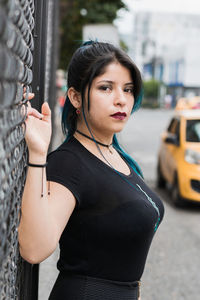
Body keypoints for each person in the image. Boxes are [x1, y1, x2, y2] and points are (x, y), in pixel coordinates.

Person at [18, 41, 164, 300]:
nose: (121, 99)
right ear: (75, 96)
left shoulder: (117, 156)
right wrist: (39, 153)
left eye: (128, 89)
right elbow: (34, 249)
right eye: (106, 88)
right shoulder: (69, 163)